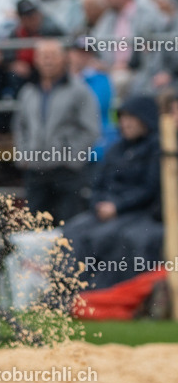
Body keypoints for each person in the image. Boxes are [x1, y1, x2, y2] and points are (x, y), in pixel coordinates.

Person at [62, 95, 164, 290]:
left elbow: (149, 189)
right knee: (72, 230)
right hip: (105, 210)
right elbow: (98, 183)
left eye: (131, 118)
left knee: (103, 237)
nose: (125, 123)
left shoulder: (155, 149)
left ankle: (98, 293)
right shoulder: (116, 149)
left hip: (136, 212)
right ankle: (66, 293)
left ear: (145, 119)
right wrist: (99, 203)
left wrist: (117, 206)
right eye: (122, 118)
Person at [12, 39, 101, 224]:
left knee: (69, 229)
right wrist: (24, 156)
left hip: (66, 173)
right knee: (36, 229)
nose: (48, 61)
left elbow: (90, 129)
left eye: (53, 56)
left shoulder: (80, 91)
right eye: (43, 56)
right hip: (36, 172)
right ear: (36, 60)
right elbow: (20, 126)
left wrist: (71, 158)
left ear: (64, 59)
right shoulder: (28, 92)